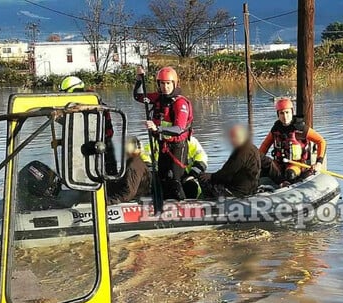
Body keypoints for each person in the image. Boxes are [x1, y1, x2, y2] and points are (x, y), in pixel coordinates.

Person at [133, 66, 193, 201]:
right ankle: (165, 204)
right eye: (162, 83)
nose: (165, 87)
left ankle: (184, 206)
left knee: (174, 180)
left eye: (168, 84)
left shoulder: (180, 103)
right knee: (162, 177)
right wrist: (139, 79)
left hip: (177, 147)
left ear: (174, 84)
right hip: (163, 145)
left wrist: (157, 128)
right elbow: (138, 96)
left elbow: (178, 128)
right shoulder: (158, 98)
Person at [258, 97, 327, 184]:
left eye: (287, 112)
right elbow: (265, 145)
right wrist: (256, 160)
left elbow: (321, 141)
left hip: (296, 165)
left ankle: (287, 185)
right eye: (282, 113)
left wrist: (319, 163)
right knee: (261, 172)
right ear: (278, 115)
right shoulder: (276, 129)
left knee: (290, 174)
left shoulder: (301, 129)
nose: (285, 116)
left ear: (292, 112)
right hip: (278, 164)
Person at [59, 75, 118, 175]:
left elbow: (85, 128)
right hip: (94, 149)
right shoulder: (85, 104)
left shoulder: (92, 106)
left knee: (107, 178)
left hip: (99, 151)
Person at [199, 124, 260, 198]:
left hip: (238, 191)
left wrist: (211, 176)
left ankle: (211, 203)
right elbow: (267, 162)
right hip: (251, 187)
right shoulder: (253, 148)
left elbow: (227, 173)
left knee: (203, 179)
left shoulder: (241, 152)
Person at [106, 137, 151, 205]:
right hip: (133, 195)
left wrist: (109, 201)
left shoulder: (133, 166)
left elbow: (129, 193)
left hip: (133, 199)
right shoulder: (136, 162)